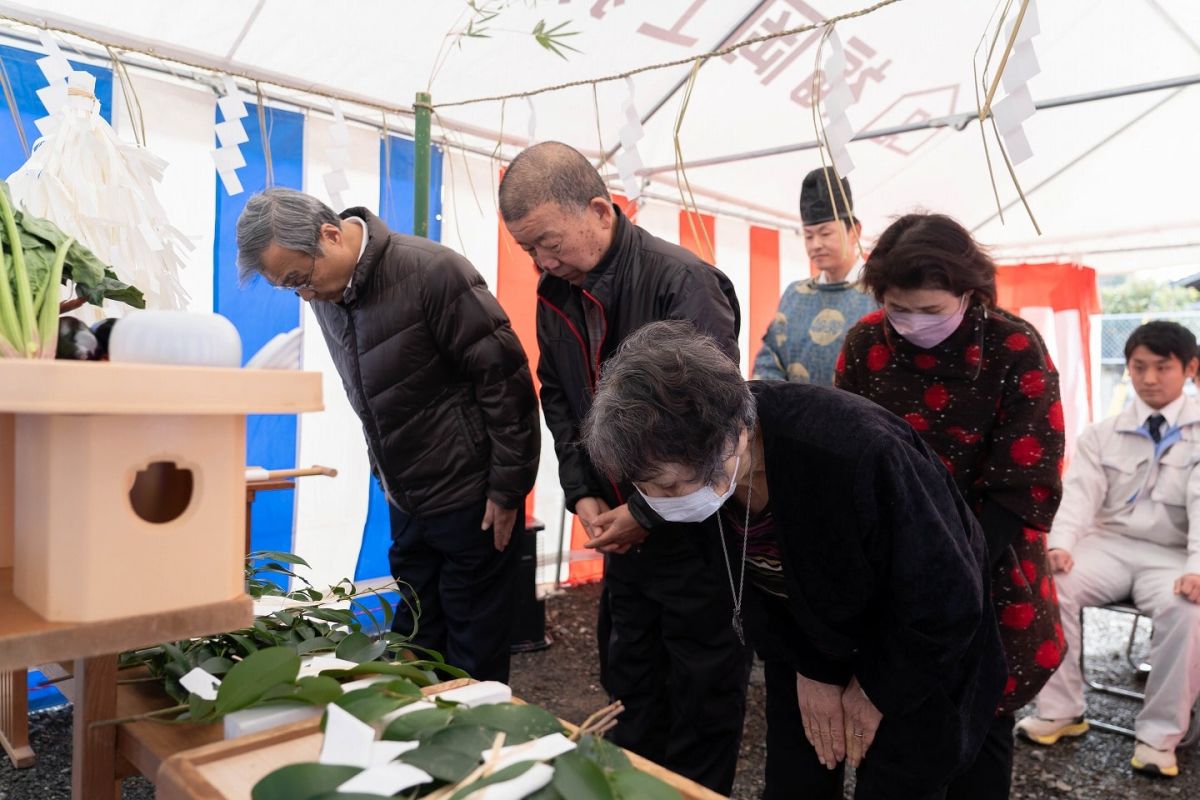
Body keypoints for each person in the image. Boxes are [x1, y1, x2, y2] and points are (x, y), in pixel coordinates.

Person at [581, 320, 1006, 799]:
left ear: (733, 436)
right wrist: (812, 668)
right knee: (795, 777)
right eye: (648, 490)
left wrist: (874, 688)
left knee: (901, 777)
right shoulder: (694, 465)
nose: (664, 503)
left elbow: (945, 598)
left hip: (916, 640)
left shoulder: (855, 450)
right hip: (803, 630)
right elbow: (744, 585)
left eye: (674, 487)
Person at [498, 141, 747, 794]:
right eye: (529, 251)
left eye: (547, 242)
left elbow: (709, 425)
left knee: (701, 689)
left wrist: (644, 511)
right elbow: (558, 396)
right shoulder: (557, 295)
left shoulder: (680, 282)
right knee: (631, 677)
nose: (542, 262)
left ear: (600, 211)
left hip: (694, 532)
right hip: (618, 528)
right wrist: (581, 493)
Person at [235, 188, 540, 682]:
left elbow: (506, 382)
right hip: (406, 497)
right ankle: (414, 748)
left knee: (471, 654)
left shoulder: (433, 272)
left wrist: (508, 488)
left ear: (330, 234)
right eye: (290, 288)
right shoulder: (327, 293)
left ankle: (473, 753)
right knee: (417, 640)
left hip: (472, 500)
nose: (305, 295)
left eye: (300, 278)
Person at [835, 213, 1066, 799]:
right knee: (893, 733)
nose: (912, 324)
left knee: (978, 736)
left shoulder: (1015, 348)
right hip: (890, 566)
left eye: (931, 310)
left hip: (990, 564)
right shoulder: (864, 344)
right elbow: (843, 455)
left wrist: (949, 572)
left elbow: (1023, 481)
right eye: (897, 307)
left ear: (970, 292)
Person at [1016, 321, 1200, 778]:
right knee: (1050, 581)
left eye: (1163, 367)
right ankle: (1062, 710)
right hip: (1111, 545)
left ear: (1190, 369)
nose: (1150, 378)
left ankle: (1160, 737)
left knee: (1189, 609)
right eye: (1139, 367)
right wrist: (1059, 545)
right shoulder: (1103, 433)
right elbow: (1078, 497)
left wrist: (1197, 567)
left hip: (1175, 555)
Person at [752, 167, 877, 385]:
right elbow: (770, 359)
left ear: (854, 231)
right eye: (808, 236)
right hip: (795, 416)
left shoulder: (880, 292)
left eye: (826, 233)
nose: (816, 244)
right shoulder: (795, 294)